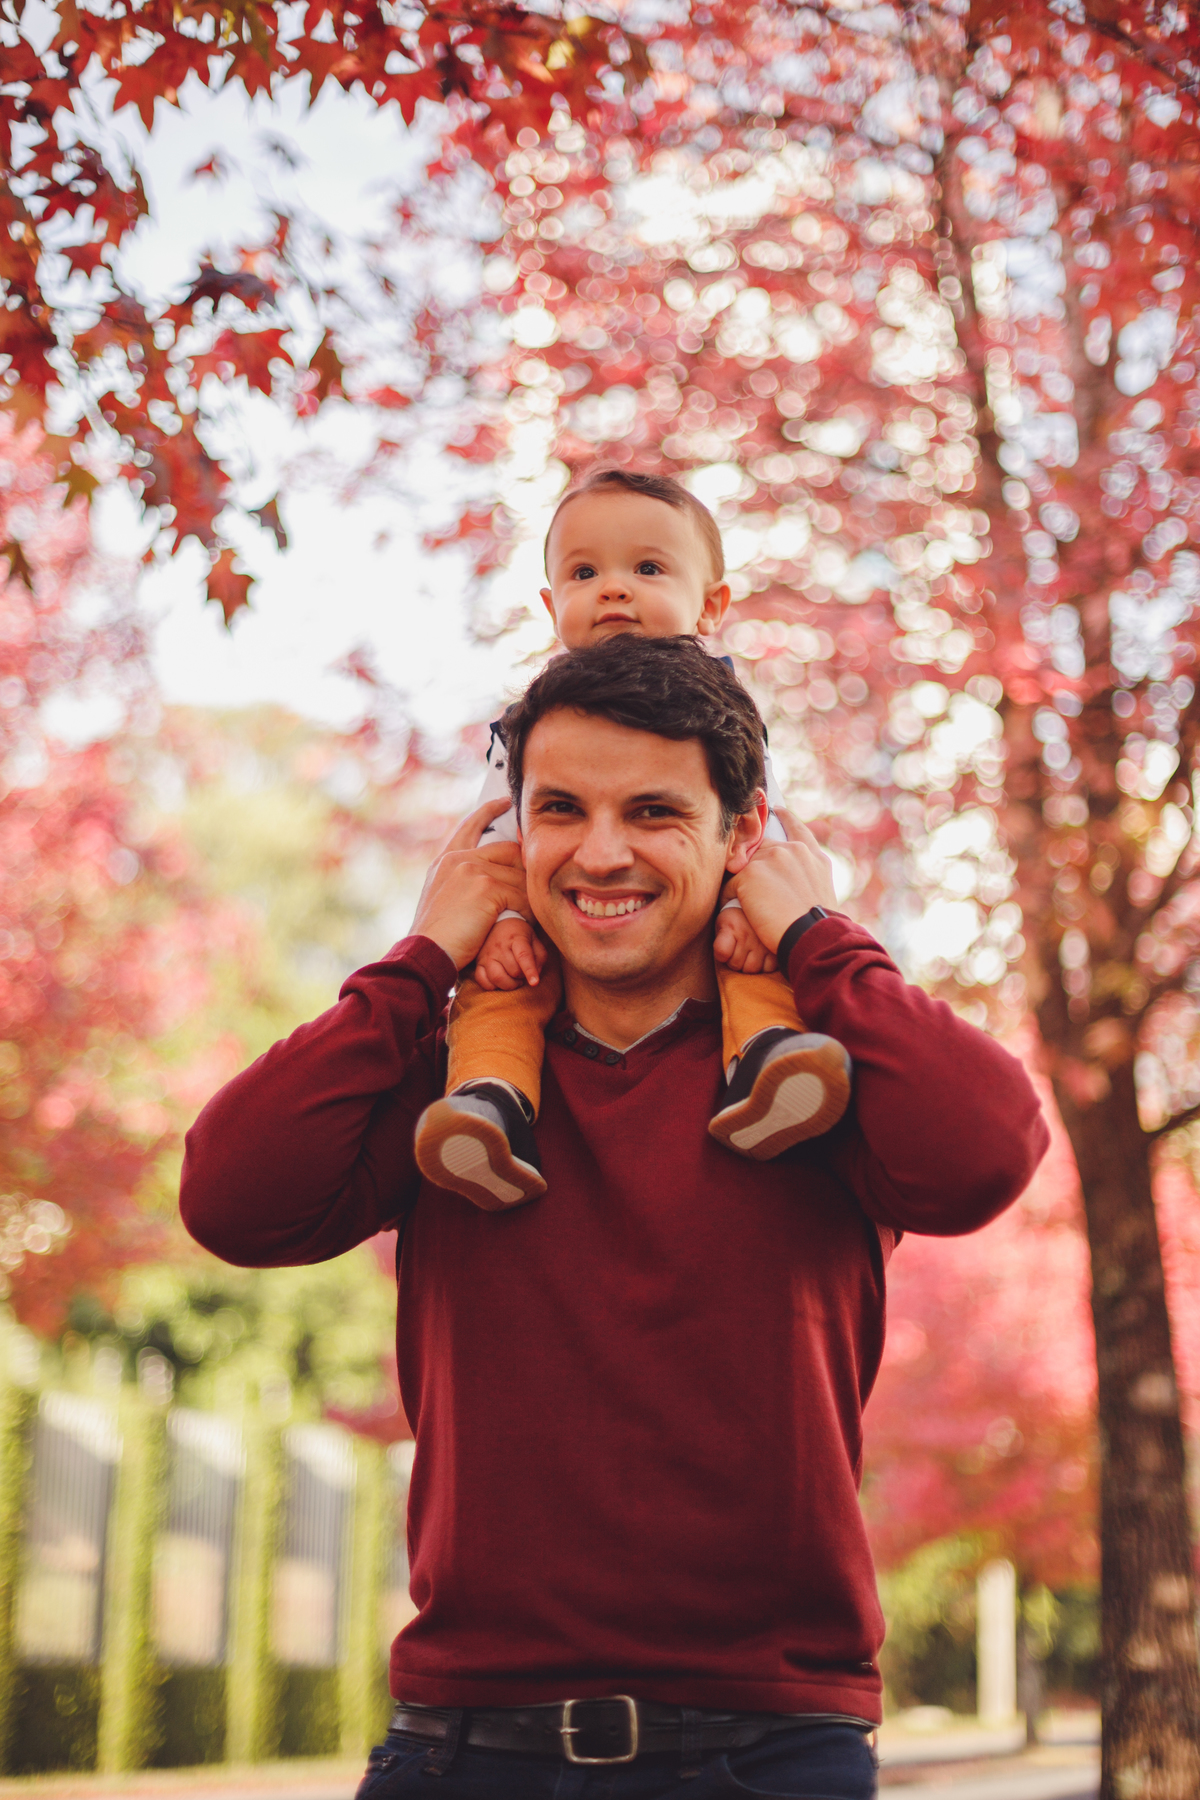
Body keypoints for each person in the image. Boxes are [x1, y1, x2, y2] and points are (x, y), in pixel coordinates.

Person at [180, 634, 1049, 1799]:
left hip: (770, 1750)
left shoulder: (813, 1079)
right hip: (463, 1747)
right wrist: (421, 956)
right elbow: (231, 1198)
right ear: (511, 834)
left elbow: (990, 1149)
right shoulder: (457, 1086)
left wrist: (819, 939)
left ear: (742, 833)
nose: (600, 853)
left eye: (653, 812)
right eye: (560, 809)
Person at [412, 467, 852, 1212]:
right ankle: (490, 1102)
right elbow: (501, 836)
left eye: (647, 568)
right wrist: (503, 927)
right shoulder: (532, 723)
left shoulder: (724, 708)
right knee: (497, 994)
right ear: (552, 607)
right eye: (585, 573)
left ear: (711, 604)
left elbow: (759, 820)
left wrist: (758, 910)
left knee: (756, 968)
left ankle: (770, 1065)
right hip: (557, 933)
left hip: (706, 925)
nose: (613, 589)